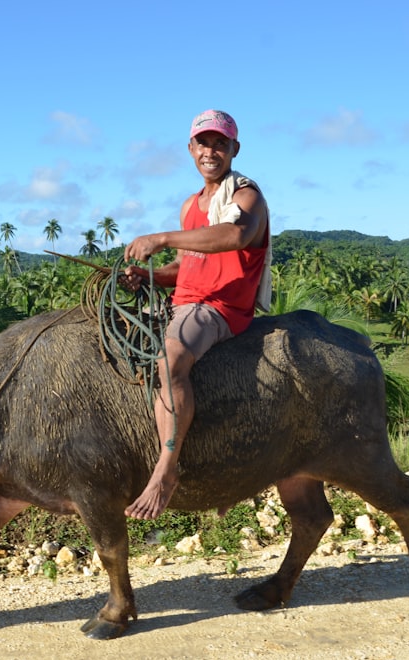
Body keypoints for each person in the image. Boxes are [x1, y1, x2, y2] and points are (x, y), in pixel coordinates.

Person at [122, 109, 271, 520]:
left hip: (219, 308)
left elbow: (234, 235)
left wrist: (162, 237)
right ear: (191, 149)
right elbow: (187, 268)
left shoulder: (246, 196)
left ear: (234, 149)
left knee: (169, 360)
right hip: (185, 302)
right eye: (204, 143)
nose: (211, 151)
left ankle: (167, 470)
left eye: (220, 143)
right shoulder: (192, 205)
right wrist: (149, 277)